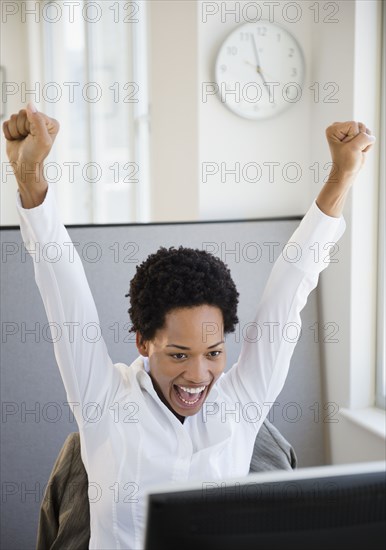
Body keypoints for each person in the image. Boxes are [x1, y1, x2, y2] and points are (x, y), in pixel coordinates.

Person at [3, 102, 375, 550]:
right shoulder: (103, 401)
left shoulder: (240, 403)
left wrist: (341, 177)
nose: (199, 376)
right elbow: (61, 288)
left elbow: (290, 291)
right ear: (143, 342)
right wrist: (30, 177)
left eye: (213, 353)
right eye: (179, 355)